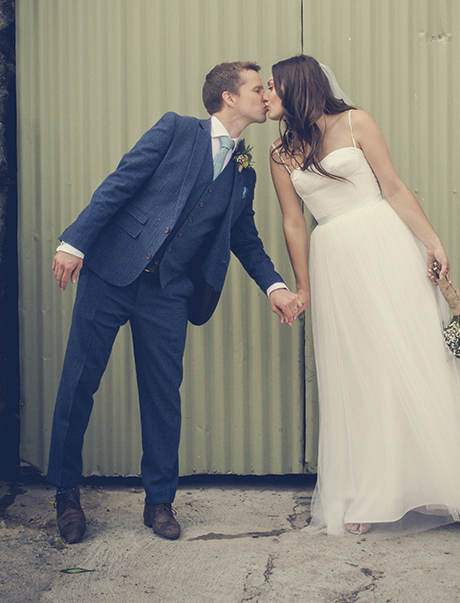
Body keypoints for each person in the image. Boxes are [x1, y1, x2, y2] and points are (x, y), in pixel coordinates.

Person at [48, 61, 299, 543]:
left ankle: (159, 502)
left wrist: (276, 286)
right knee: (79, 382)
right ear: (229, 97)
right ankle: (65, 494)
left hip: (169, 291)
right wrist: (74, 241)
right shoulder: (176, 129)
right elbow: (120, 183)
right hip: (111, 273)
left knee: (163, 397)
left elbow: (243, 238)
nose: (263, 96)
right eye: (254, 88)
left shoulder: (244, 170)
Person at [265, 55, 460, 535]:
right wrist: (303, 284)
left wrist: (432, 242)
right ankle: (369, 493)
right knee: (359, 372)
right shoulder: (279, 154)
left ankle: (454, 489)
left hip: (387, 244)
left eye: (272, 87)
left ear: (297, 87)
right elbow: (293, 222)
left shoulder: (357, 122)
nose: (265, 95)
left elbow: (392, 188)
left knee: (416, 358)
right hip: (335, 259)